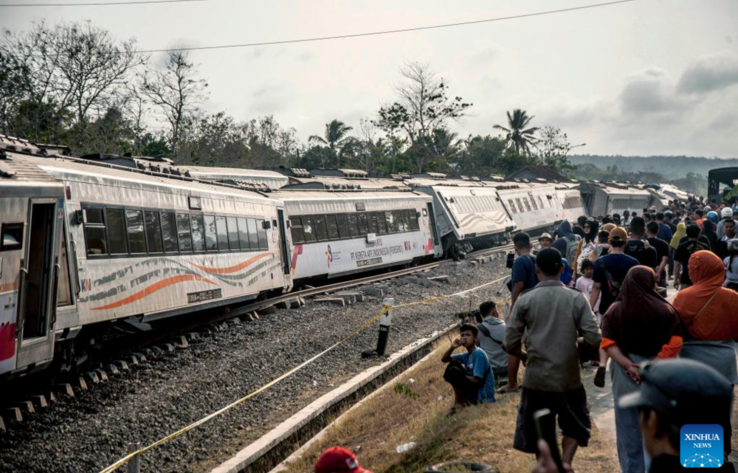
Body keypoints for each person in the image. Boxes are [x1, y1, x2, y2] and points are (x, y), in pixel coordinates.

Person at [505, 248, 601, 472]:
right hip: (568, 377)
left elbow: (510, 342)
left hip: (536, 379)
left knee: (539, 427)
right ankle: (566, 462)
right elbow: (594, 337)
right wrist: (575, 347)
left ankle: (549, 464)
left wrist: (524, 355)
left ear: (537, 270)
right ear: (562, 269)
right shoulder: (576, 298)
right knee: (575, 424)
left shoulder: (526, 300)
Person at [600, 266, 683, 473]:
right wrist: (650, 366)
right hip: (659, 377)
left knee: (628, 429)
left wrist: (629, 365)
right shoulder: (665, 309)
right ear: (651, 282)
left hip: (625, 374)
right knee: (661, 428)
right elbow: (676, 342)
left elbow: (607, 343)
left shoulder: (615, 310)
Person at [673, 250, 738, 460]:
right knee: (719, 415)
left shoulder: (684, 297)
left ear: (696, 271)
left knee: (695, 415)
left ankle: (700, 459)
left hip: (692, 364)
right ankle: (723, 458)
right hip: (724, 365)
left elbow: (674, 332)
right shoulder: (732, 297)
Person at [590, 227, 639, 387]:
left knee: (607, 338)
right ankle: (627, 367)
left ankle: (603, 364)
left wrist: (590, 308)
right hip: (627, 308)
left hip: (607, 307)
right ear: (626, 242)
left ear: (610, 242)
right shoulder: (633, 263)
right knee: (627, 338)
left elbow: (596, 287)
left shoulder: (600, 262)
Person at [500, 232, 538, 394]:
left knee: (512, 344)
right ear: (530, 245)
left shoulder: (520, 262)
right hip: (537, 304)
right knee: (533, 344)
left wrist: (513, 310)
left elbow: (519, 286)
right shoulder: (536, 259)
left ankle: (512, 383)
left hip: (523, 307)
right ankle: (533, 379)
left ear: (515, 247)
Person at [441, 324, 496, 406]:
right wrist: (452, 347)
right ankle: (459, 401)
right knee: (453, 365)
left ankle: (460, 402)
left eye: (468, 335)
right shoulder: (466, 355)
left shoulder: (478, 353)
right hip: (475, 391)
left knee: (455, 371)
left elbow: (477, 380)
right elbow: (444, 359)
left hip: (483, 395)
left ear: (475, 338)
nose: (464, 338)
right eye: (462, 335)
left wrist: (460, 376)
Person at [474, 301, 509, 383]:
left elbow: (476, 348)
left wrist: (478, 326)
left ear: (482, 315)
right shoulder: (506, 326)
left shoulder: (478, 329)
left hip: (489, 370)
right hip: (507, 367)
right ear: (494, 312)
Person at [674, 224, 710, 290]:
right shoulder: (705, 247)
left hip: (686, 278)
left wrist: (676, 279)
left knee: (685, 298)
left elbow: (677, 264)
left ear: (687, 234)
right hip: (702, 279)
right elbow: (709, 264)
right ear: (699, 233)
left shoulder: (681, 246)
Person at [645, 221, 670, 288]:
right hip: (660, 274)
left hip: (645, 274)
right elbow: (664, 260)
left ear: (646, 231)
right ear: (657, 231)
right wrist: (658, 273)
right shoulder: (664, 243)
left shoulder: (644, 243)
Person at [575, 259, 600, 323]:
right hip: (585, 306)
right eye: (587, 269)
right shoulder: (580, 281)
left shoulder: (596, 280)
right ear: (583, 270)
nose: (589, 271)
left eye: (591, 269)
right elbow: (578, 293)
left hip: (597, 306)